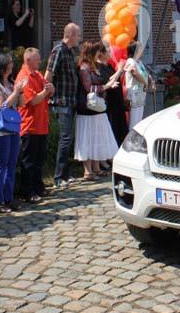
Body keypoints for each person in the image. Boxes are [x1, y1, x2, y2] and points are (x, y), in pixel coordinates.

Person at [0, 54, 26, 213]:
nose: (12, 66)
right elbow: (1, 105)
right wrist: (15, 92)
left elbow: (22, 104)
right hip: (0, 129)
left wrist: (20, 91)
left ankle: (9, 197)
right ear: (2, 66)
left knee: (11, 163)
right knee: (1, 164)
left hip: (13, 127)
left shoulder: (11, 83)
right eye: (10, 63)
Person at [75, 42, 118, 180]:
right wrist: (105, 87)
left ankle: (96, 167)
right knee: (88, 138)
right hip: (87, 109)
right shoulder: (84, 68)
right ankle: (88, 171)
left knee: (97, 137)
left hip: (98, 108)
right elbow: (88, 88)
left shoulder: (93, 67)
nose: (98, 55)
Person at [46, 23, 81, 189]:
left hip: (70, 101)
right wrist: (48, 95)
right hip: (62, 101)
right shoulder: (58, 50)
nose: (79, 39)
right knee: (65, 138)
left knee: (68, 138)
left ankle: (65, 173)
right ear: (71, 35)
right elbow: (49, 74)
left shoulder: (70, 52)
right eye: (78, 35)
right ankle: (58, 176)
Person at [16, 48, 53, 203]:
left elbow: (48, 88)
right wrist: (46, 92)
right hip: (29, 125)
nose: (40, 61)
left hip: (41, 124)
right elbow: (33, 100)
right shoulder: (24, 77)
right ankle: (28, 191)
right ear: (28, 60)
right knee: (29, 161)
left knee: (39, 158)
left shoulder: (37, 74)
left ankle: (39, 187)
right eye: (37, 59)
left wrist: (50, 89)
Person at [102, 55, 128, 147]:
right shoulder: (99, 67)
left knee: (121, 127)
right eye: (107, 51)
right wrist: (119, 70)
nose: (110, 53)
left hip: (118, 102)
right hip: (110, 103)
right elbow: (108, 81)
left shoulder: (108, 65)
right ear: (101, 53)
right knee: (113, 128)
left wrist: (121, 71)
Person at [124, 42, 150, 128]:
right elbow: (135, 73)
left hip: (140, 95)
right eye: (140, 49)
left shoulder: (139, 61)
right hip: (134, 95)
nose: (142, 51)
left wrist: (151, 81)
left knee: (138, 121)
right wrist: (145, 83)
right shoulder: (131, 61)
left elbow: (145, 73)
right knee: (133, 122)